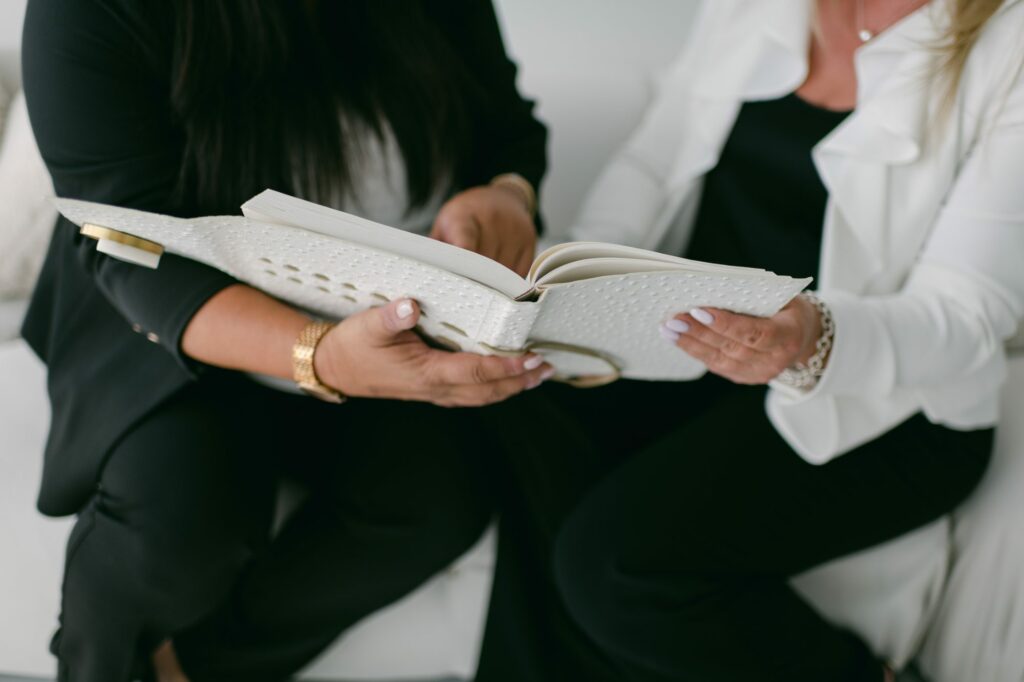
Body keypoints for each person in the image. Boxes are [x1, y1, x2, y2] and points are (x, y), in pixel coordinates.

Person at [474, 0, 1024, 680]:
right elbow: (654, 162)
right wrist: (571, 293)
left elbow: (970, 313)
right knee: (518, 395)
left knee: (611, 562)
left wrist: (814, 337)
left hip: (891, 405)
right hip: (693, 351)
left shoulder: (1011, 48)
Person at [20, 1, 549, 680]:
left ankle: (192, 667)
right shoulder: (86, 15)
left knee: (435, 501)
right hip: (173, 310)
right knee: (174, 534)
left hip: (388, 306)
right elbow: (126, 244)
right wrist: (320, 357)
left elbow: (507, 127)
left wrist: (507, 195)